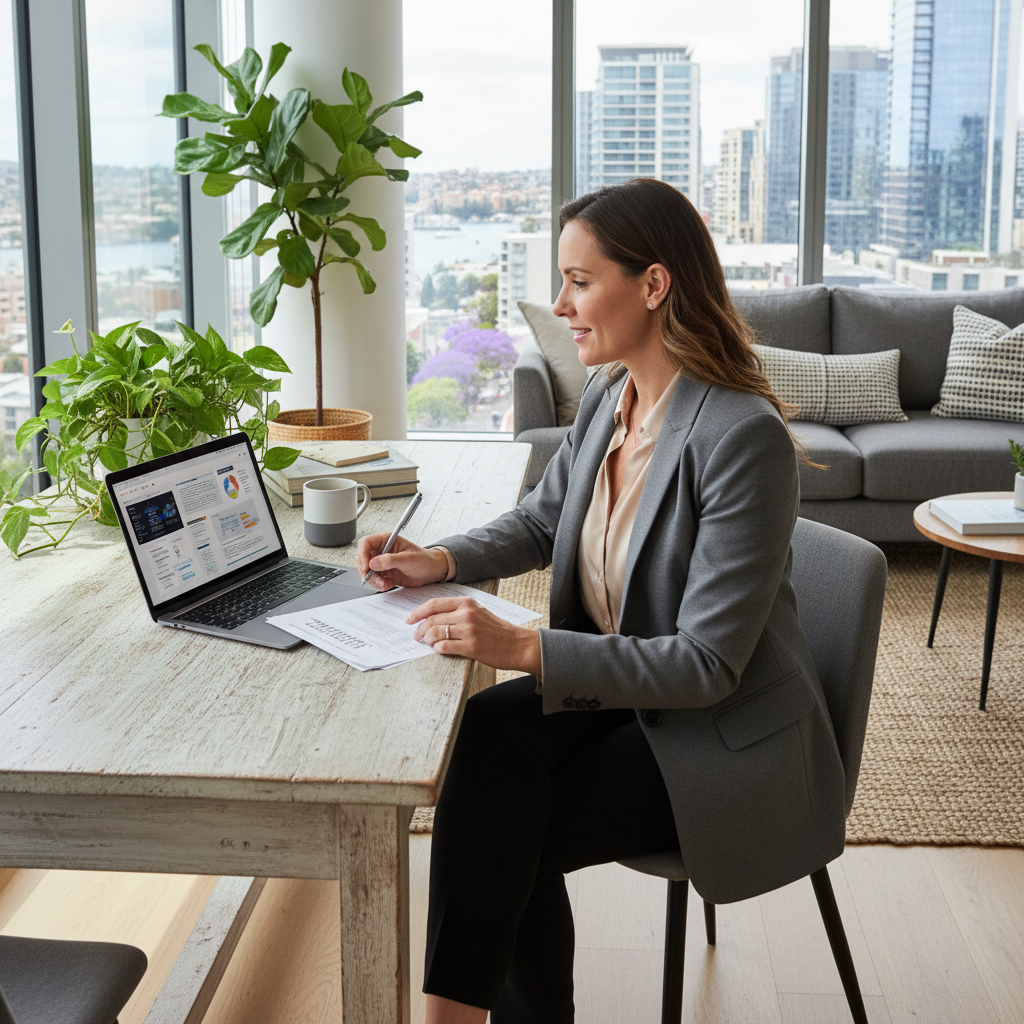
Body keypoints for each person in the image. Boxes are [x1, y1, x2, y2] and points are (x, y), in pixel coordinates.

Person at [355, 178, 846, 1024]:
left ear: (653, 286)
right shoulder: (611, 398)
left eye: (580, 281)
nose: (560, 304)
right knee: (486, 741)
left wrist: (525, 648)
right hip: (625, 694)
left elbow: (706, 666)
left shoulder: (740, 437)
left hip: (720, 735)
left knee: (508, 823)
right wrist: (437, 558)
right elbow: (547, 518)